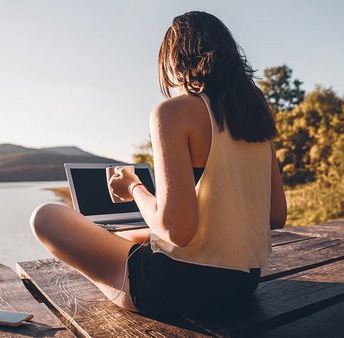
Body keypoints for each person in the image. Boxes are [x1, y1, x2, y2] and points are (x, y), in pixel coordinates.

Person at [30, 11, 287, 316]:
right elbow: (276, 215)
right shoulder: (254, 114)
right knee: (127, 237)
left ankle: (119, 280)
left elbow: (176, 230)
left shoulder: (174, 112)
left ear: (174, 61)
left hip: (176, 288)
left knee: (45, 217)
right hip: (243, 283)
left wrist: (133, 187)